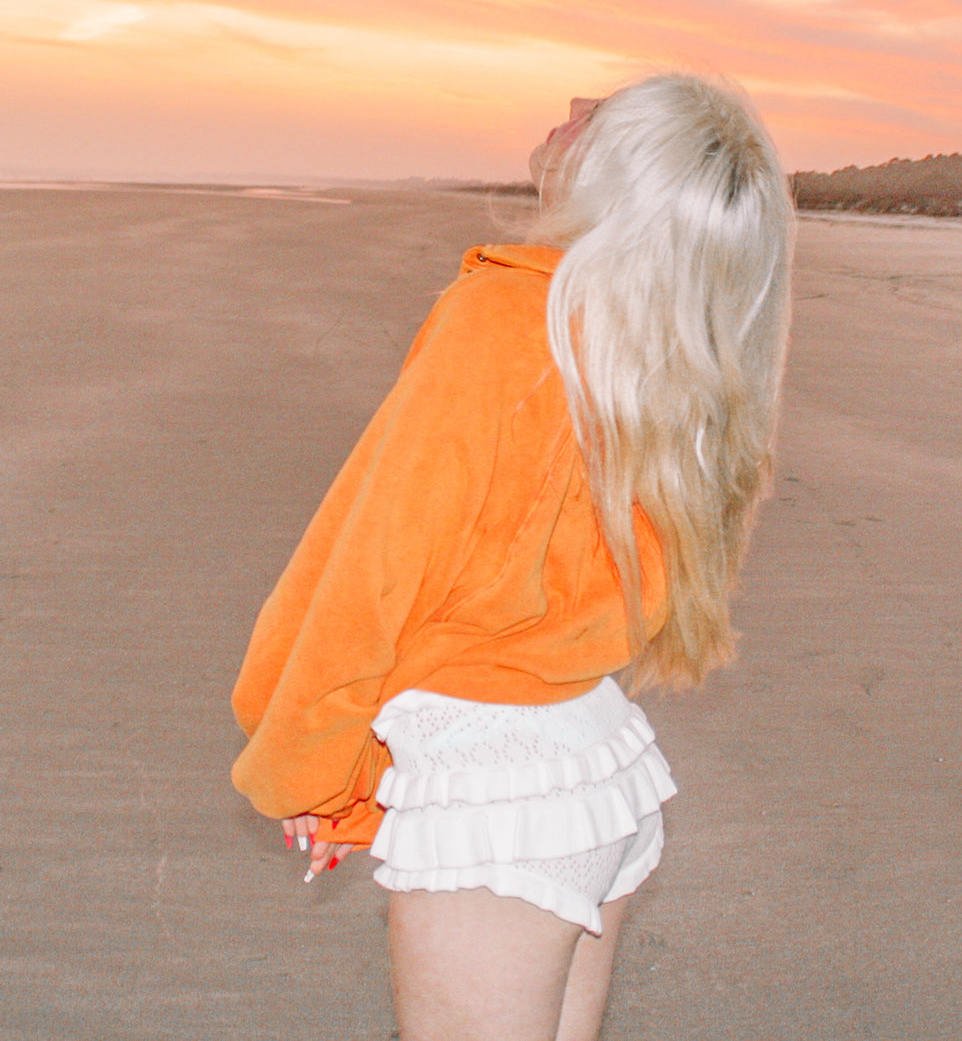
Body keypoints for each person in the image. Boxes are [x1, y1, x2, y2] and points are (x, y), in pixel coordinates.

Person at [231, 73, 794, 1041]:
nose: (571, 106)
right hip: (590, 760)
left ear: (611, 168)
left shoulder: (499, 321)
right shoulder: (656, 358)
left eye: (600, 108)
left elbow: (367, 570)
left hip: (492, 793)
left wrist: (310, 773)